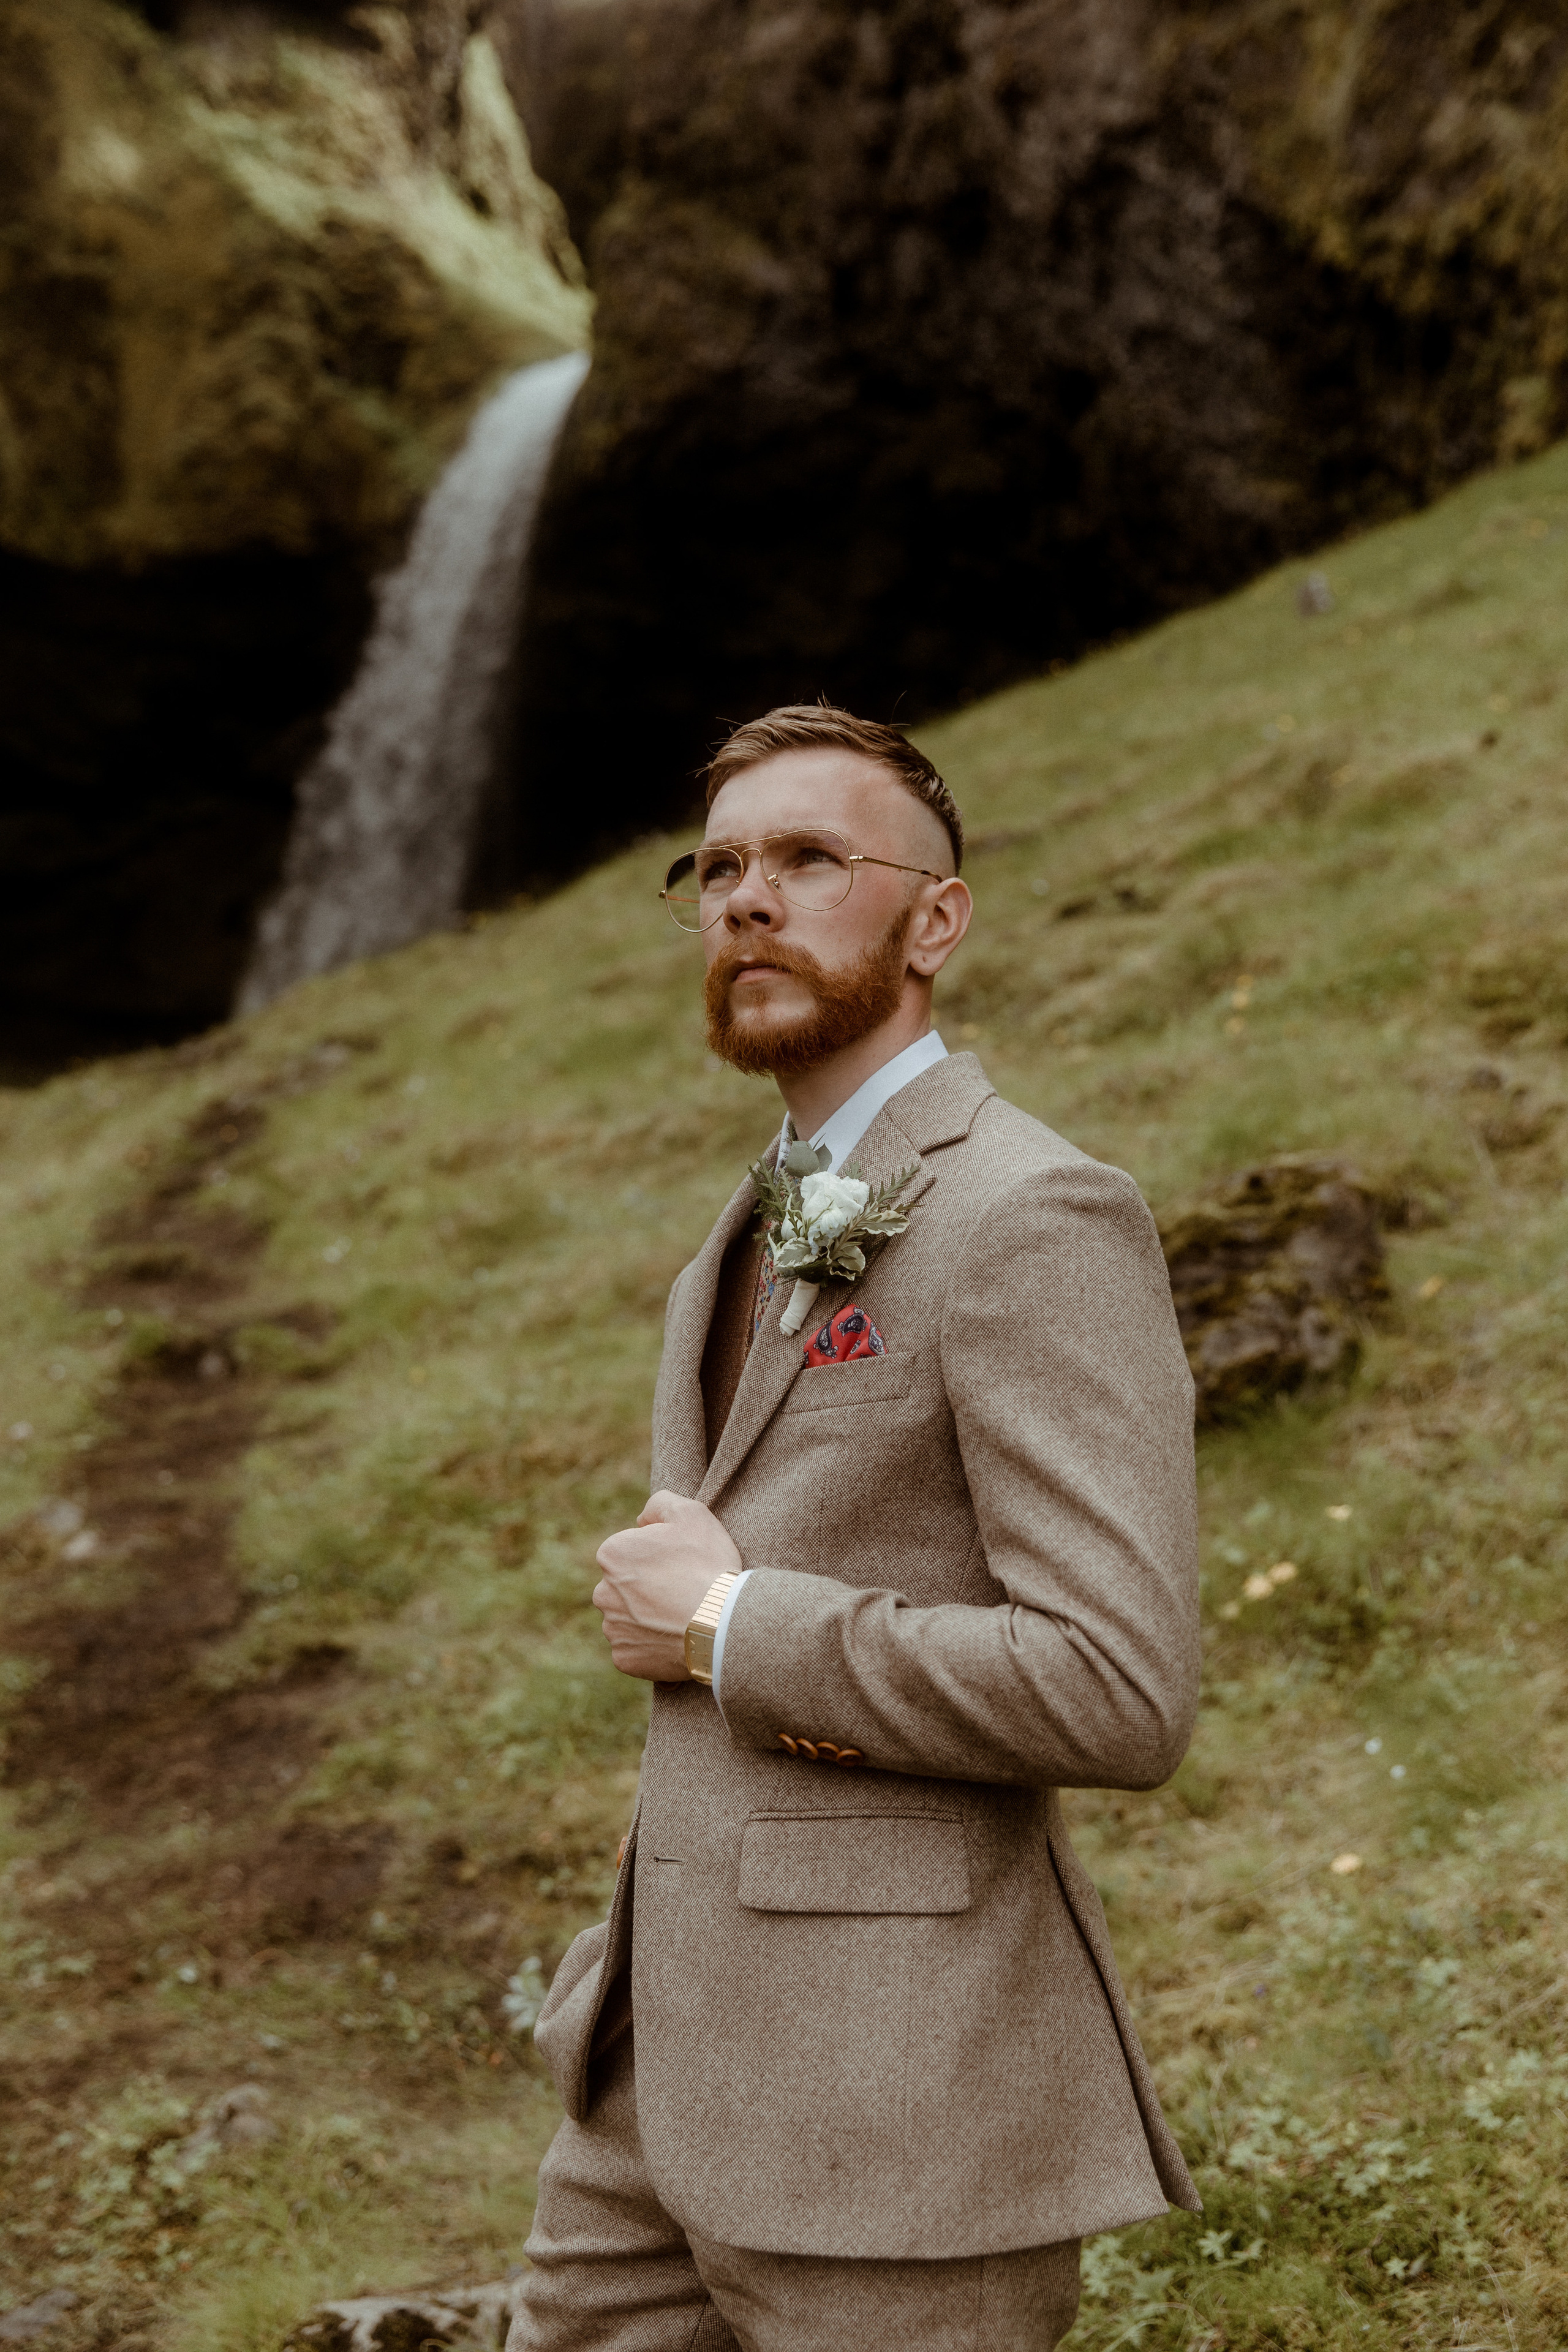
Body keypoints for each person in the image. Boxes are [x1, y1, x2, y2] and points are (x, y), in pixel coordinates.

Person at [511, 703, 1202, 2352]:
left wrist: (733, 1628)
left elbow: (1117, 1683)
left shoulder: (1034, 1216)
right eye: (723, 866)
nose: (750, 898)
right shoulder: (742, 1223)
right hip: (648, 2090)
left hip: (898, 2122)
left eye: (813, 860)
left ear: (936, 919)